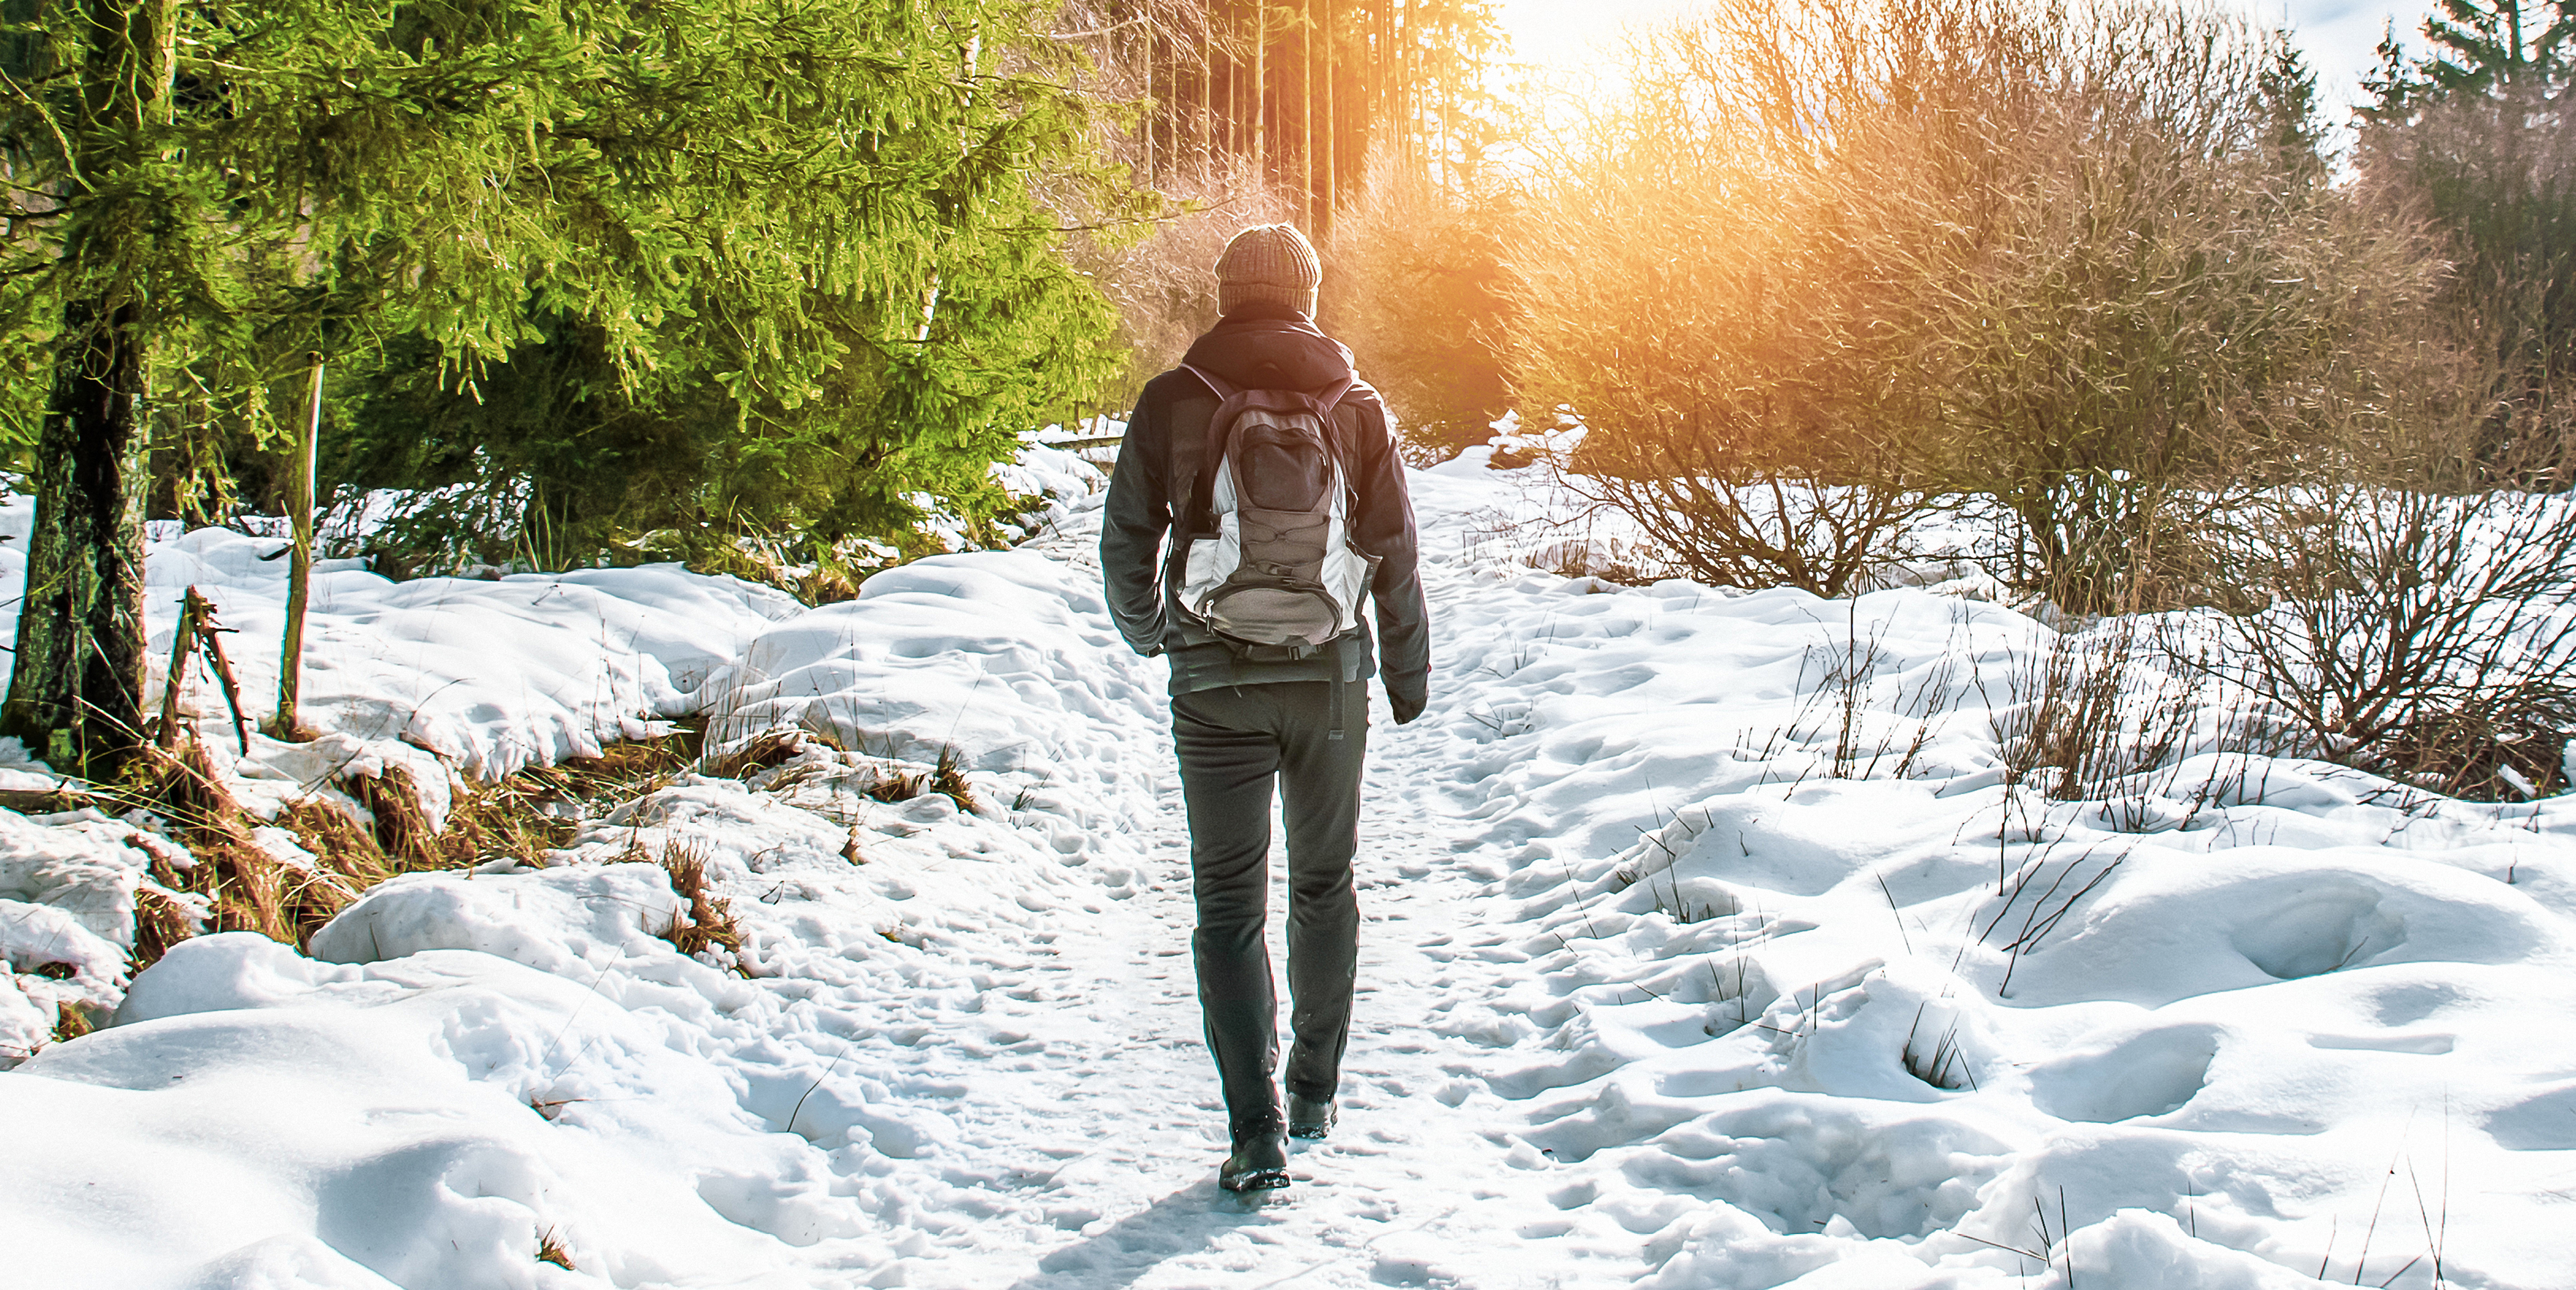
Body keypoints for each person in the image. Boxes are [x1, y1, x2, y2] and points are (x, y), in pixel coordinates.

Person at [1099, 223, 1432, 1192]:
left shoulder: (1173, 399)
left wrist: (1153, 632)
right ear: (1306, 296)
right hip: (1330, 679)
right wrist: (1404, 676)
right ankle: (1317, 1088)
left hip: (1213, 684)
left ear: (1224, 294)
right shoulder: (1357, 404)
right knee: (1324, 885)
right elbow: (1395, 549)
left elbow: (1127, 537)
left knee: (1227, 904)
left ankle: (1257, 1132)